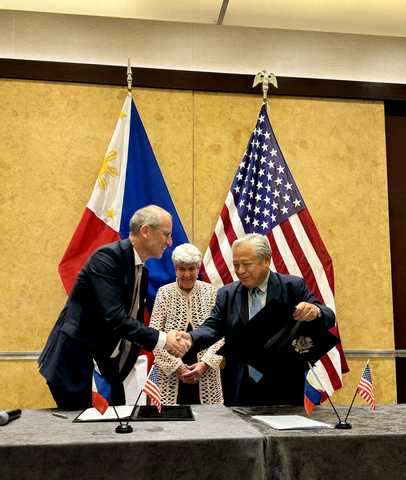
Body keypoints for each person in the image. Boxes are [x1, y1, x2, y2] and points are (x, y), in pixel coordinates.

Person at [38, 205, 191, 409]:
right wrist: (164, 340)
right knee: (85, 436)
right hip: (75, 367)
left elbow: (133, 323)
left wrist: (165, 344)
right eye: (166, 234)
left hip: (106, 367)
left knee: (115, 428)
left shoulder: (142, 271)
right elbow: (115, 318)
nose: (170, 242)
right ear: (145, 231)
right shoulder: (106, 259)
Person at [182, 233, 336, 407]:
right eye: (236, 265)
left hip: (285, 387)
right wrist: (190, 338)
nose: (240, 271)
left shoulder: (292, 287)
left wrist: (315, 311)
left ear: (266, 260)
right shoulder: (227, 294)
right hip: (241, 387)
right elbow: (213, 327)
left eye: (247, 264)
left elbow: (329, 316)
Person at [150, 244, 224, 405]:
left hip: (206, 374)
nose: (187, 274)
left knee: (210, 423)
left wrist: (205, 364)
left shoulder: (211, 292)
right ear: (175, 270)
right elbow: (154, 336)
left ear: (198, 269)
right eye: (181, 269)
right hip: (171, 376)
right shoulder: (164, 293)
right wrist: (177, 367)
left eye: (191, 268)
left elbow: (221, 334)